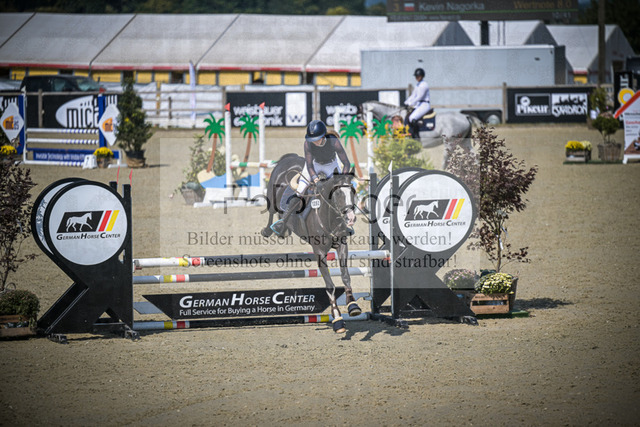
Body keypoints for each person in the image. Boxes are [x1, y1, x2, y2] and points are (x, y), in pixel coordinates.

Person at [271, 119, 351, 237]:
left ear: (323, 136)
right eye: (312, 139)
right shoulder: (307, 143)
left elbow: (347, 163)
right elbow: (309, 165)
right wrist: (315, 179)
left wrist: (342, 178)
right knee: (299, 190)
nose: (314, 142)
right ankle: (283, 221)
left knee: (340, 190)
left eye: (316, 139)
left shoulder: (333, 141)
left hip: (331, 165)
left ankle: (346, 223)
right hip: (314, 165)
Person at [404, 68, 431, 138]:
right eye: (416, 76)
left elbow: (419, 97)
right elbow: (413, 95)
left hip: (424, 105)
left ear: (422, 76)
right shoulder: (418, 85)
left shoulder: (424, 85)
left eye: (418, 76)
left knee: (412, 118)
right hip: (419, 104)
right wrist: (406, 102)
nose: (417, 77)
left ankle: (416, 136)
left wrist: (410, 103)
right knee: (407, 116)